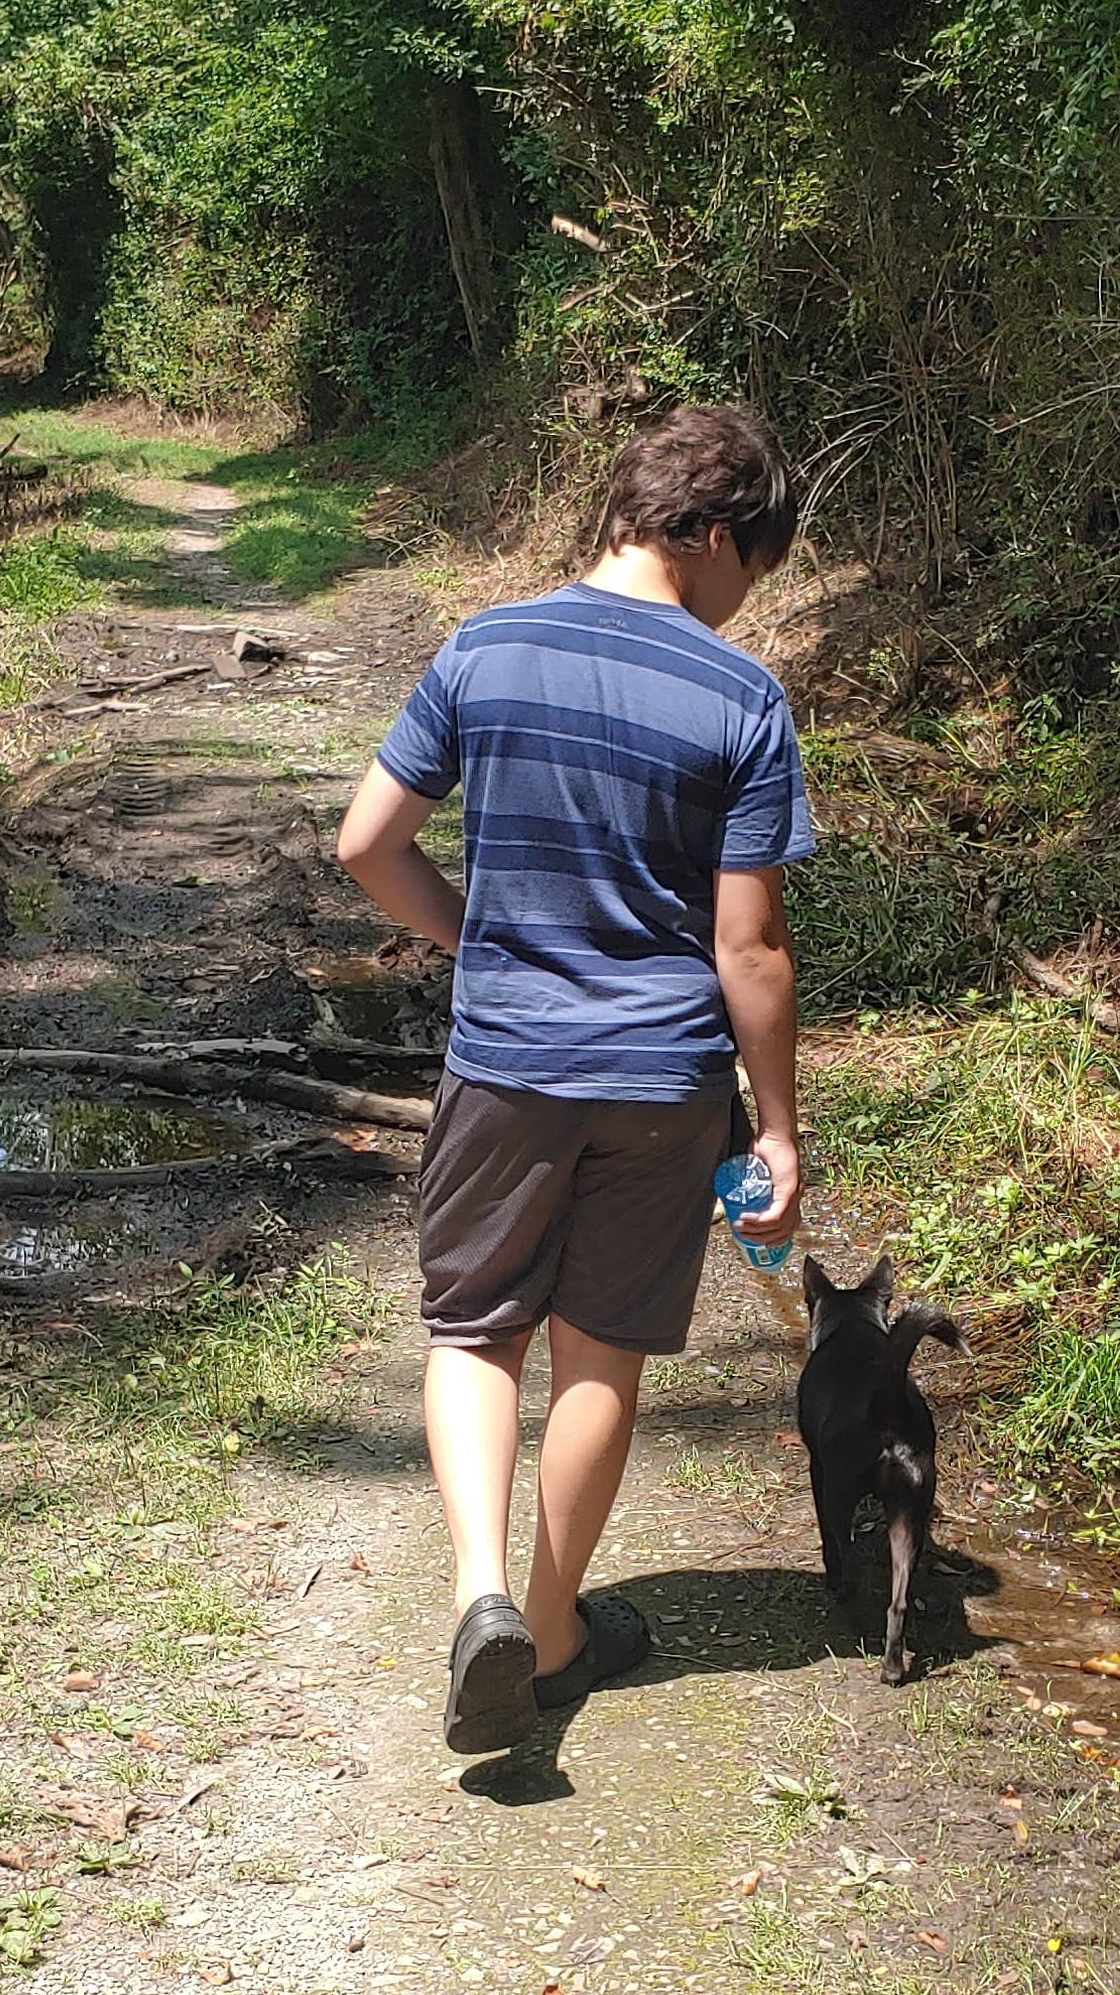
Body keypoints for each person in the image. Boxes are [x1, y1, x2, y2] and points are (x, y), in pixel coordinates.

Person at [337, 399, 813, 1755]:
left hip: (506, 1062)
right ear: (712, 536)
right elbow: (751, 940)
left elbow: (369, 841)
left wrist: (478, 934)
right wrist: (777, 1128)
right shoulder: (740, 697)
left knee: (475, 1327)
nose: (744, 606)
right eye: (754, 572)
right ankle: (551, 1633)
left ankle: (483, 1594)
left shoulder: (485, 646)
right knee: (599, 1345)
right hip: (662, 1081)